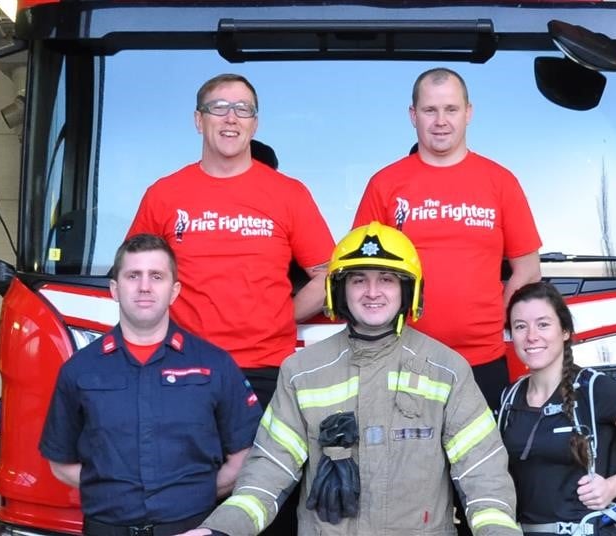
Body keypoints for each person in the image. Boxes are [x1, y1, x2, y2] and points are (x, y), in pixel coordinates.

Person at [182, 222, 522, 536]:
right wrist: (221, 529)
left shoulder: (446, 370)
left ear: (408, 290)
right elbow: (269, 471)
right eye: (359, 279)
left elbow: (483, 473)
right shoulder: (302, 372)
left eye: (386, 279)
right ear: (339, 291)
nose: (372, 291)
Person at [128, 73, 334, 409]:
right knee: (186, 464)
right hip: (181, 366)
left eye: (243, 109)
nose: (231, 118)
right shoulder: (163, 195)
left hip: (266, 370)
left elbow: (328, 274)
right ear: (199, 120)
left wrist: (282, 316)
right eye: (219, 107)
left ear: (255, 124)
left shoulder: (289, 194)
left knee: (261, 464)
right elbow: (135, 276)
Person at [39, 234, 263, 536]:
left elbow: (244, 457)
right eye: (133, 276)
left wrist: (190, 494)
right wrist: (114, 491)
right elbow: (60, 463)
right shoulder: (79, 370)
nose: (144, 286)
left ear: (174, 291)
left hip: (192, 528)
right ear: (115, 290)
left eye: (156, 276)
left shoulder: (216, 365)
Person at [353, 67, 542, 413]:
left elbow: (528, 271)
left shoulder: (500, 182)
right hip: (402, 359)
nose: (441, 121)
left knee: (481, 466)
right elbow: (359, 273)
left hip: (482, 361)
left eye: (451, 109)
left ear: (468, 113)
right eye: (430, 110)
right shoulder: (385, 184)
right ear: (413, 115)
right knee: (404, 467)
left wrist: (492, 320)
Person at [500, 282, 616, 535]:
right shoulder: (509, 398)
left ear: (565, 330)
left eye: (543, 324)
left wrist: (614, 485)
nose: (531, 336)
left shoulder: (594, 389)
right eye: (520, 326)